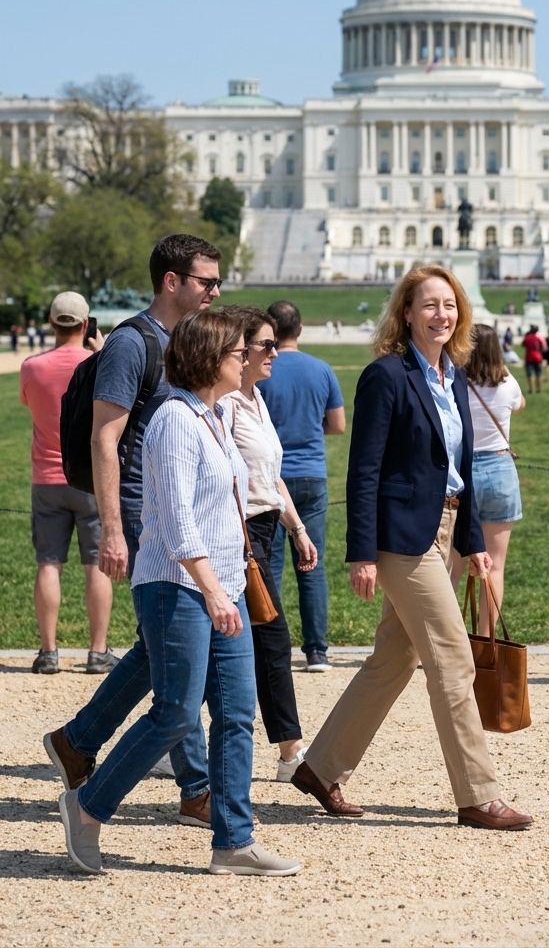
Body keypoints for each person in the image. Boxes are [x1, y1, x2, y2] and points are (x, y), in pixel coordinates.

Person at [56, 308, 301, 877]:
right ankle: (86, 806)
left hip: (224, 585)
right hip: (177, 585)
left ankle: (234, 841)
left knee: (237, 713)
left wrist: (229, 583)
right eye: (239, 352)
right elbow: (176, 519)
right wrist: (213, 590)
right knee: (174, 713)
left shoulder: (215, 416)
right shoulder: (174, 419)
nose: (247, 359)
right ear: (209, 357)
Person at [290, 265, 532, 831]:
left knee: (394, 658)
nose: (441, 315)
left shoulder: (457, 376)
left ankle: (320, 768)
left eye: (449, 305)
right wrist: (362, 552)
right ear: (405, 313)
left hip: (444, 530)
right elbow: (364, 468)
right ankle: (478, 794)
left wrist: (471, 540)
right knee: (451, 656)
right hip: (401, 538)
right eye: (429, 305)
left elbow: (461, 468)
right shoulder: (386, 376)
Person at [44, 235, 223, 830]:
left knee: (160, 649)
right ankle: (195, 785)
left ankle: (78, 740)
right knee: (178, 644)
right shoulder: (132, 343)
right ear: (172, 282)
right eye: (206, 281)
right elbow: (104, 438)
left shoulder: (185, 344)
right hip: (145, 517)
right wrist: (115, 528)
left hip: (175, 514)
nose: (215, 291)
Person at [221, 307, 318, 783]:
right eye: (265, 345)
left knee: (223, 643)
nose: (275, 352)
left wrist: (297, 528)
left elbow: (269, 476)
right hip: (238, 536)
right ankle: (290, 753)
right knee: (271, 638)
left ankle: (169, 737)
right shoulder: (224, 408)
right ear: (237, 351)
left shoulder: (256, 400)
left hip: (266, 528)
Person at [20, 292, 115, 675]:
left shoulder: (32, 366)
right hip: (90, 476)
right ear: (85, 323)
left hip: (46, 476)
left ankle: (48, 652)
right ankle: (97, 651)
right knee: (95, 565)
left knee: (48, 564)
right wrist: (104, 350)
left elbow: (30, 405)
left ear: (51, 322)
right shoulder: (98, 363)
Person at [259, 299, 346, 672]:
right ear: (300, 330)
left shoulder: (262, 371)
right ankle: (317, 650)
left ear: (271, 332)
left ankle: (271, 646)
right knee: (312, 563)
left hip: (270, 475)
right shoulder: (321, 369)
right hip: (311, 472)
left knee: (271, 564)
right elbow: (337, 425)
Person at [450, 324, 526, 638]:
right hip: (499, 468)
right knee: (494, 566)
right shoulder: (506, 381)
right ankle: (486, 636)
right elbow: (520, 406)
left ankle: (446, 639)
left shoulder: (455, 380)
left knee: (451, 566)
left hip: (462, 471)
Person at [521, 324, 545, 395]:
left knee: (530, 374)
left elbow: (523, 345)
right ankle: (539, 388)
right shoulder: (538, 338)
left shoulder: (527, 338)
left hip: (529, 357)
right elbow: (542, 346)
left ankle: (531, 389)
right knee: (539, 373)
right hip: (537, 357)